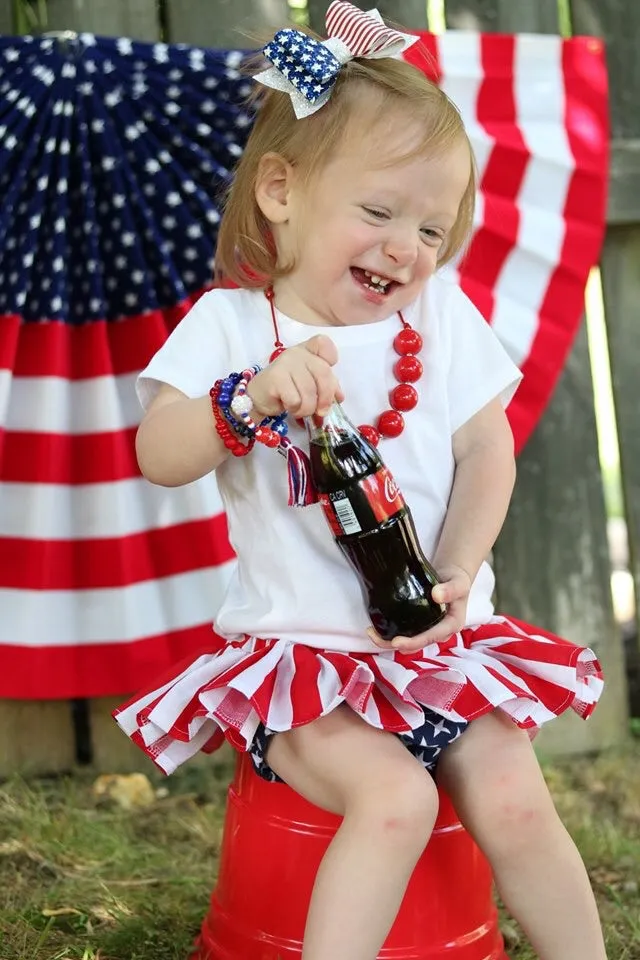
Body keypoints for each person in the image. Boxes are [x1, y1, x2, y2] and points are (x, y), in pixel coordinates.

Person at [114, 3, 607, 958]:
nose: (406, 248)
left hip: (436, 648)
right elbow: (158, 455)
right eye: (379, 212)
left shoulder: (445, 318)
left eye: (433, 227)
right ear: (281, 191)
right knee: (394, 799)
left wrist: (459, 568)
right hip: (305, 666)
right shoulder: (232, 328)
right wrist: (244, 399)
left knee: (513, 792)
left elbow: (485, 449)